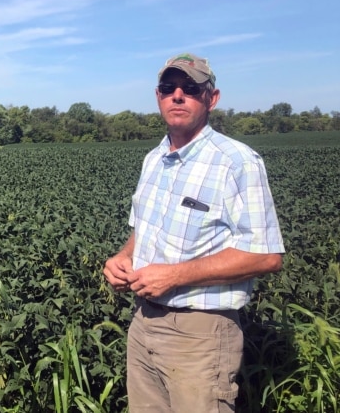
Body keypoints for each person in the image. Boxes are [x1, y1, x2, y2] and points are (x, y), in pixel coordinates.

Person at [102, 53, 285, 413]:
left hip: (199, 334)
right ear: (158, 96)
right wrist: (124, 257)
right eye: (169, 88)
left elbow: (266, 255)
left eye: (191, 88)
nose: (178, 96)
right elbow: (143, 230)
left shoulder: (237, 162)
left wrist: (175, 276)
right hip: (143, 323)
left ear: (211, 98)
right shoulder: (154, 159)